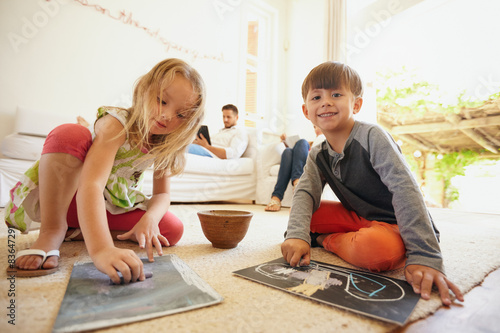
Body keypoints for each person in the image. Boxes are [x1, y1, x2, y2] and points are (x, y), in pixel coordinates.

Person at [5, 58, 205, 284]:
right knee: (69, 133)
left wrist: (150, 218)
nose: (167, 116)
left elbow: (162, 195)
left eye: (181, 114)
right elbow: (92, 185)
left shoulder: (165, 143)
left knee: (171, 230)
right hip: (70, 198)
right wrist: (101, 249)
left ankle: (77, 231)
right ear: (144, 90)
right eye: (161, 101)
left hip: (110, 203)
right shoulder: (117, 124)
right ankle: (53, 230)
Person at [281, 61, 464, 306]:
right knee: (301, 215)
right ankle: (329, 236)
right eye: (317, 97)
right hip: (358, 217)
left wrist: (424, 255)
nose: (326, 102)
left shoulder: (372, 136)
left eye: (336, 94)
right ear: (306, 111)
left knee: (376, 251)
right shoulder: (318, 153)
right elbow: (305, 193)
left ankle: (326, 240)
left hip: (395, 224)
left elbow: (405, 188)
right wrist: (296, 235)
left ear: (356, 104)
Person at [265, 126, 324, 212]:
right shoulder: (310, 143)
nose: (315, 129)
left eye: (317, 126)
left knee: (302, 142)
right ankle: (291, 187)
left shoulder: (321, 142)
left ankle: (278, 196)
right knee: (287, 151)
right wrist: (285, 142)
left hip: (308, 165)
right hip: (298, 165)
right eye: (314, 127)